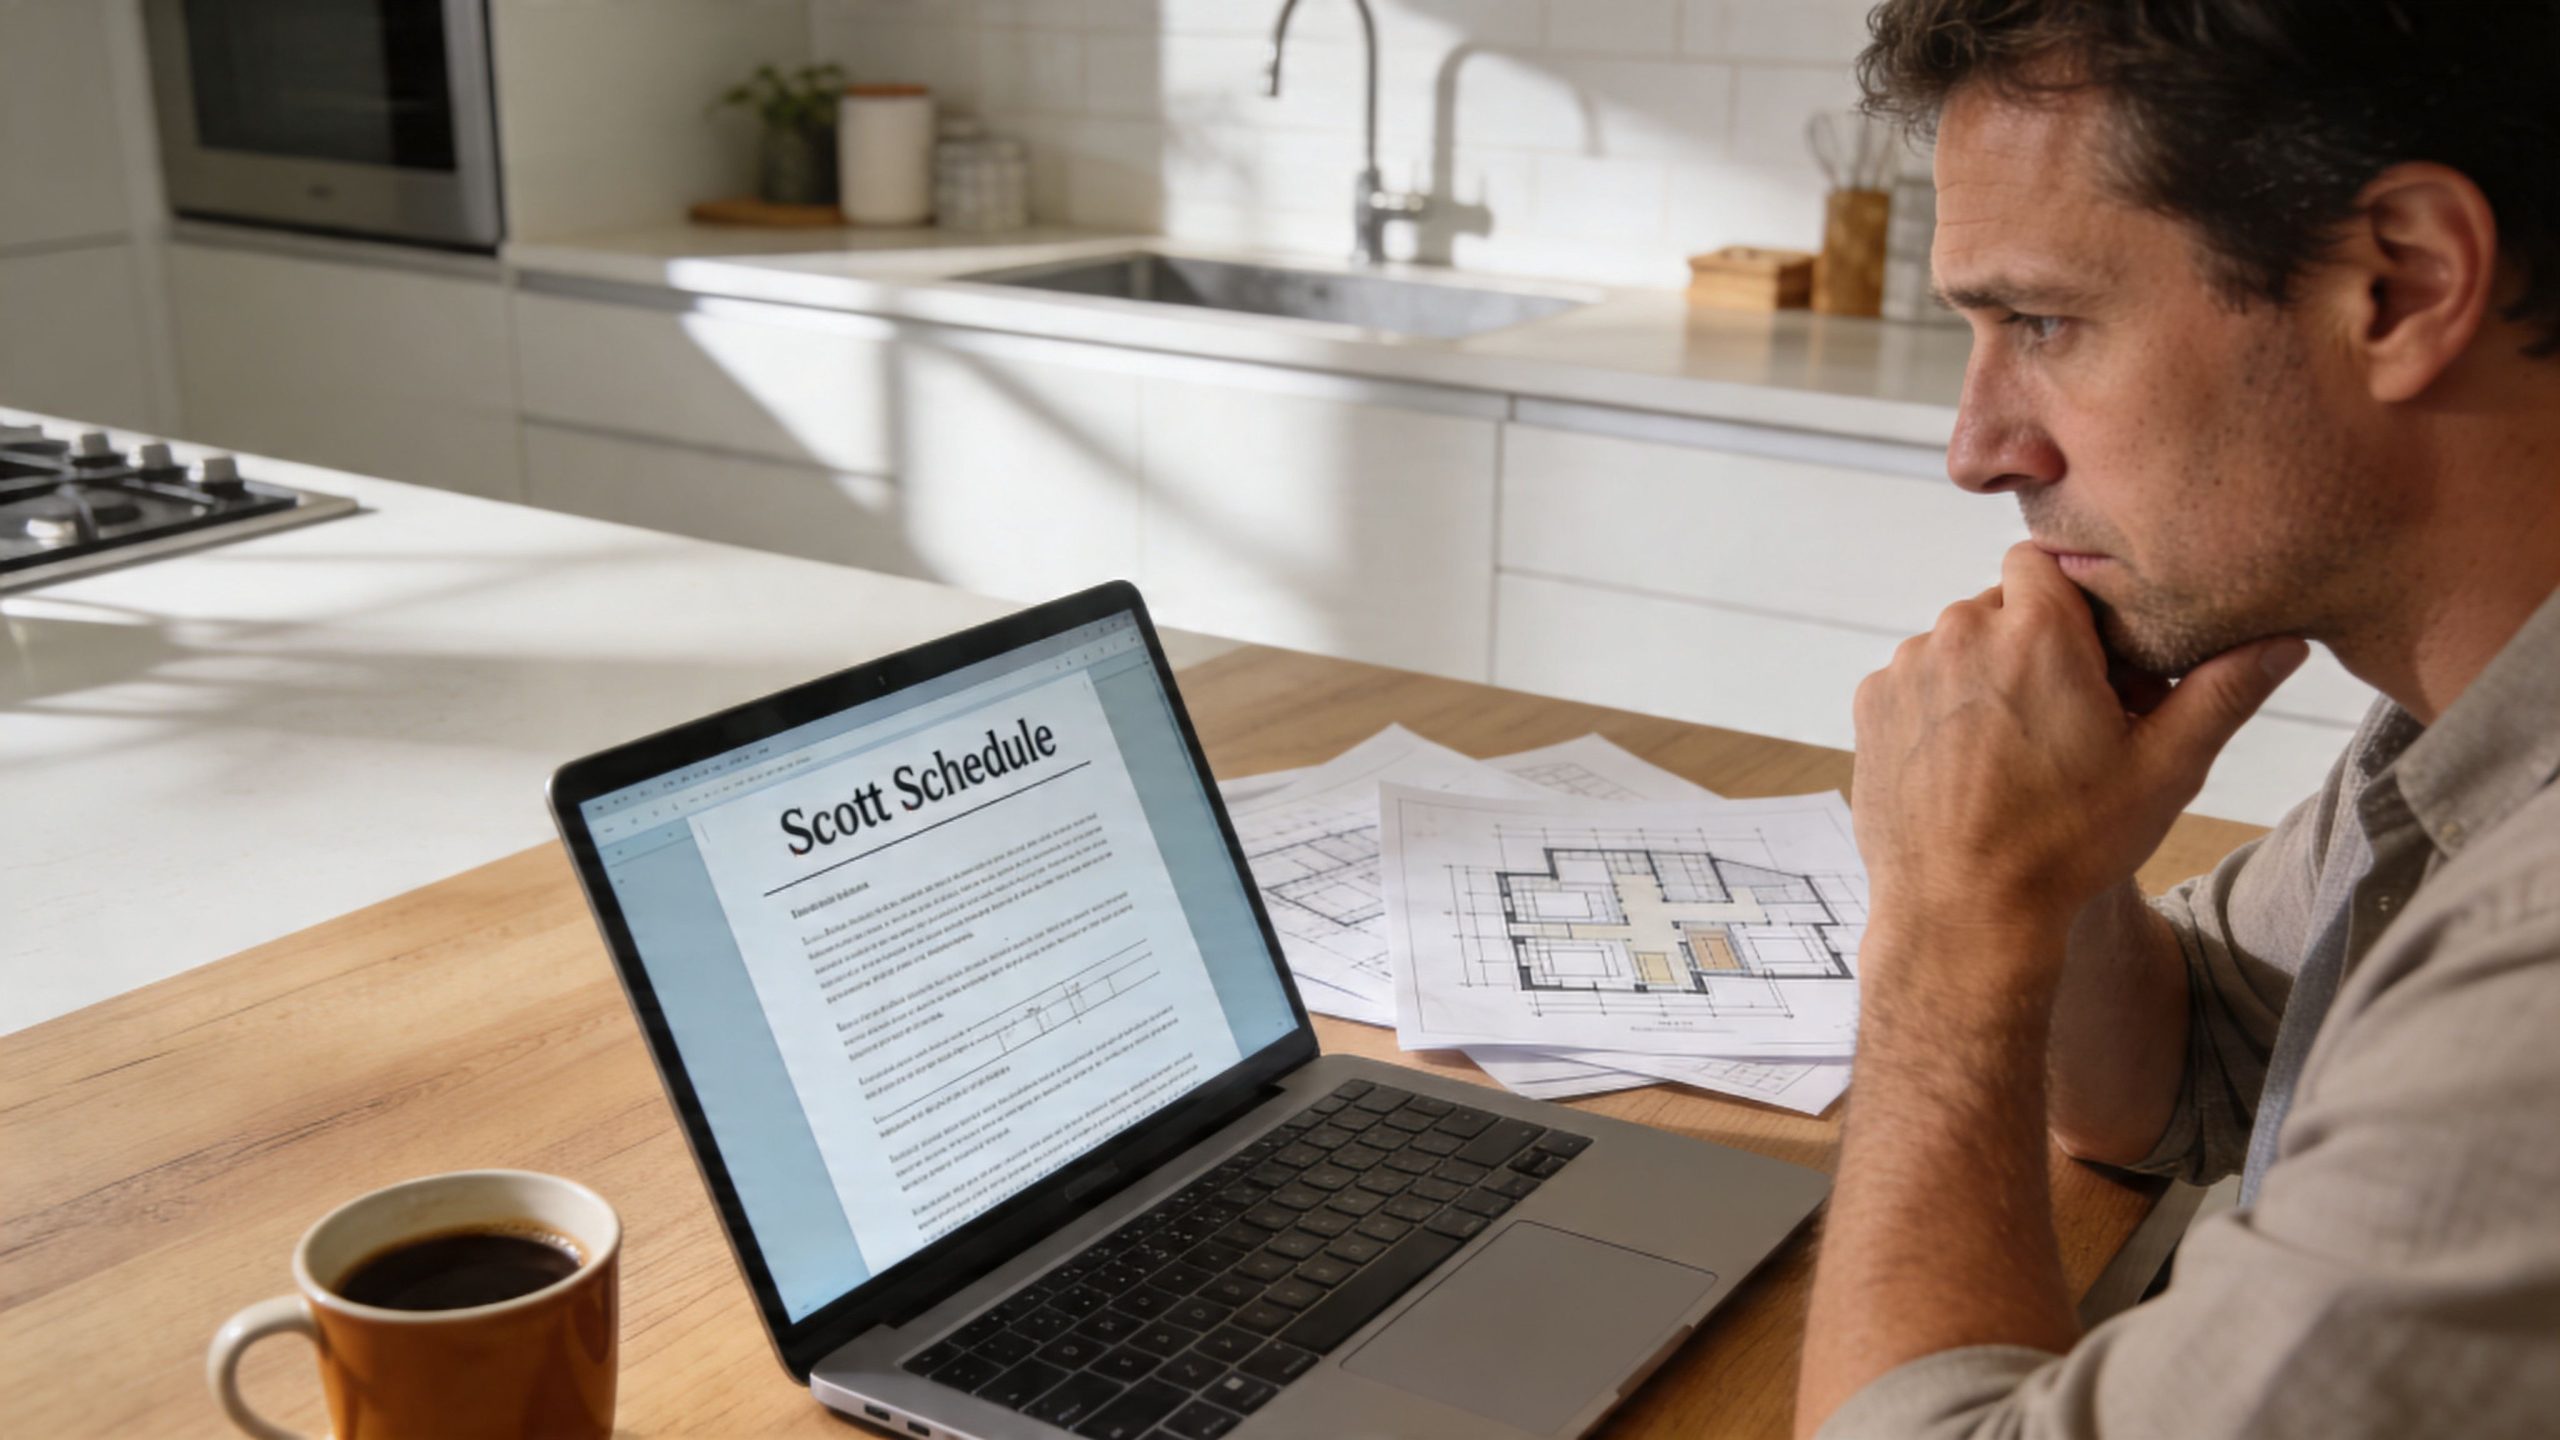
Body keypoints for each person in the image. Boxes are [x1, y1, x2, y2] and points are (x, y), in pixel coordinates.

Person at [1796, 3, 2560, 1436]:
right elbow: (2194, 1070)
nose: (1979, 452)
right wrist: (2042, 866)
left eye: (2044, 321)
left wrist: (1949, 925)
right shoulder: (2464, 721)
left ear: (2400, 284)